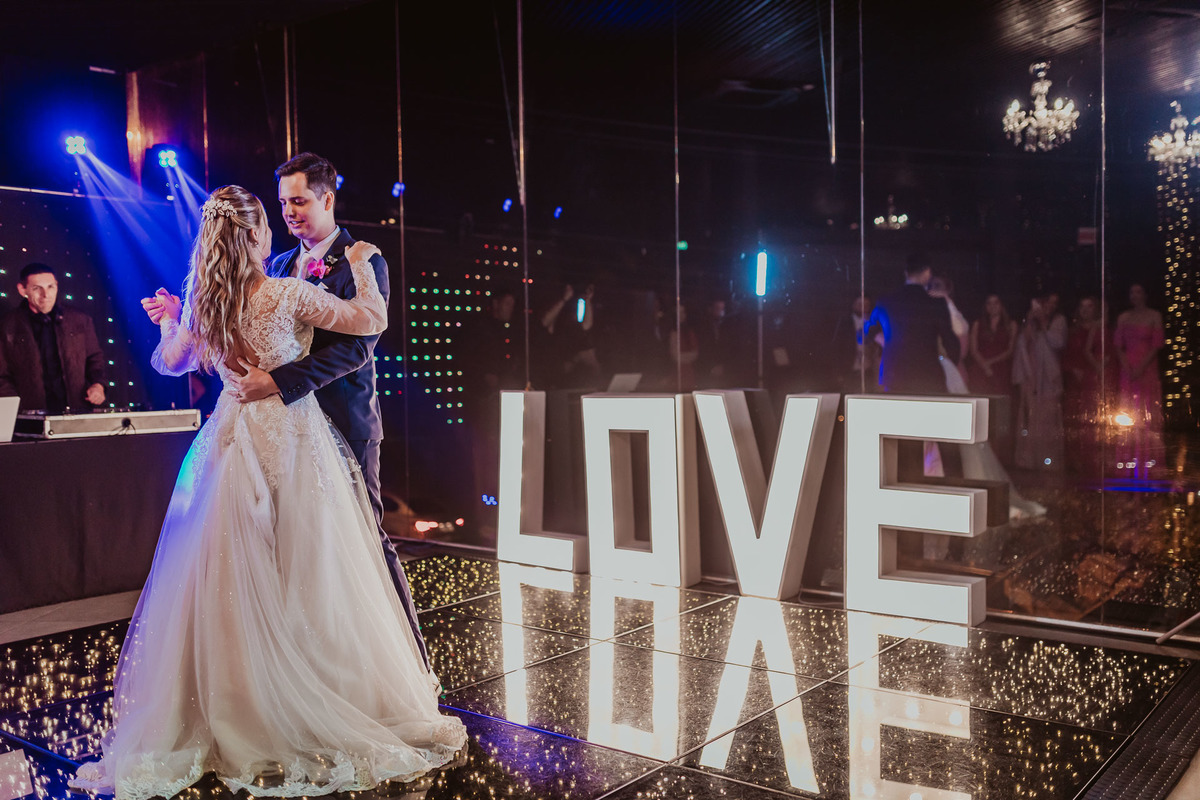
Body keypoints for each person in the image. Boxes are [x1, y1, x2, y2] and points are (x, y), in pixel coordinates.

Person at [70, 186, 466, 799]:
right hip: (292, 438)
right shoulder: (284, 292)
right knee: (308, 565)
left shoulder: (207, 303)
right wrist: (361, 263)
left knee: (230, 572)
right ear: (257, 236)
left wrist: (172, 318)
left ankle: (238, 702)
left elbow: (169, 363)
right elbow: (371, 320)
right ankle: (315, 694)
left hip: (229, 442)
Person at [221, 152, 428, 668]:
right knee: (297, 546)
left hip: (344, 420)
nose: (289, 212)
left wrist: (277, 381)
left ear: (327, 198)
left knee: (366, 539)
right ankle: (315, 667)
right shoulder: (274, 266)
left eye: (299, 201)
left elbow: (357, 348)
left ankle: (412, 665)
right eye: (283, 203)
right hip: (285, 429)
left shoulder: (363, 259)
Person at [0, 263, 106, 412]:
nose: (46, 295)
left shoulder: (79, 320)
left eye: (50, 287)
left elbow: (95, 359)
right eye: (37, 288)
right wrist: (14, 408)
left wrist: (98, 385)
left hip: (76, 412)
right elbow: (2, 375)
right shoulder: (7, 326)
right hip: (30, 415)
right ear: (22, 290)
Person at [1113, 283, 1165, 479]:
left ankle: (1148, 467)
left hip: (1147, 369)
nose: (1134, 295)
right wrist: (1127, 367)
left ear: (1145, 294)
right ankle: (1126, 466)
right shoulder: (1123, 317)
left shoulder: (1154, 316)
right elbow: (1118, 346)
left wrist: (1142, 367)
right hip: (1128, 369)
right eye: (1131, 292)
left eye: (1138, 291)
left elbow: (1157, 345)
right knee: (1128, 414)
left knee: (1147, 413)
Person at [1012, 292, 1067, 471]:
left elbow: (1058, 343)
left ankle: (1048, 460)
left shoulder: (1058, 321)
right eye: (1046, 303)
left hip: (1049, 379)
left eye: (1053, 303)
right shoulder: (1031, 322)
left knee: (1048, 420)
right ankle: (1028, 459)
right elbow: (1022, 344)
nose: (1049, 307)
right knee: (1030, 419)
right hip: (1031, 378)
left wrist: (1044, 323)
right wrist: (1030, 320)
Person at [1062, 296, 1107, 474]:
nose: (1085, 310)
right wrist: (1074, 370)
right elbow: (1066, 356)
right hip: (1074, 382)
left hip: (1094, 381)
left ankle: (1092, 463)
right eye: (1082, 306)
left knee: (1092, 421)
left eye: (1089, 306)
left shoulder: (1100, 330)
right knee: (1074, 422)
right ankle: (1074, 464)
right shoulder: (1073, 331)